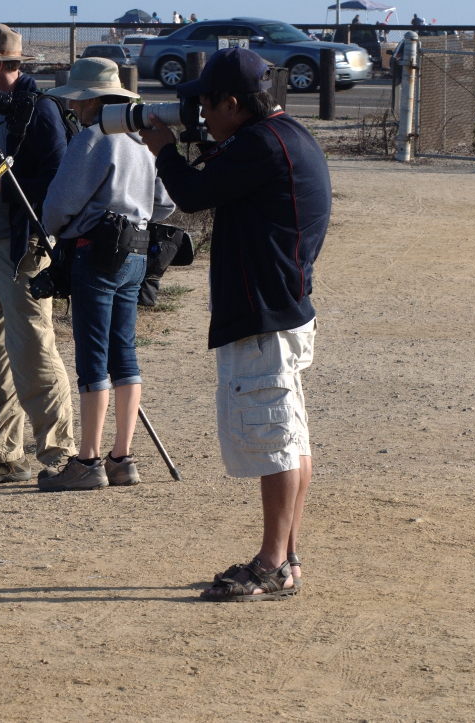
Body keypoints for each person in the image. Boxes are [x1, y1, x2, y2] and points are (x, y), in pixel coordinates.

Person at [137, 47, 330, 601]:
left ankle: (271, 563)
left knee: (273, 440)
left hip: (264, 316)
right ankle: (287, 557)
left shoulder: (261, 147)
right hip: (283, 308)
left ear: (231, 102)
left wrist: (165, 152)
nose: (198, 109)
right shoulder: (284, 135)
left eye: (205, 101)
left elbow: (193, 193)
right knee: (289, 438)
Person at [38, 58, 175, 492]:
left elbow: (58, 207)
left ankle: (87, 460)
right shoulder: (141, 140)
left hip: (94, 252)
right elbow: (166, 205)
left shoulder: (94, 137)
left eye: (79, 100)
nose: (75, 108)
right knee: (125, 356)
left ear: (94, 98)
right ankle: (121, 457)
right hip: (135, 252)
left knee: (92, 359)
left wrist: (62, 227)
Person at [0, 23, 77, 486]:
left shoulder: (38, 109)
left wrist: (3, 180)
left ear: (2, 65)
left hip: (25, 244)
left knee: (31, 344)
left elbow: (58, 179)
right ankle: (4, 453)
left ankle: (60, 452)